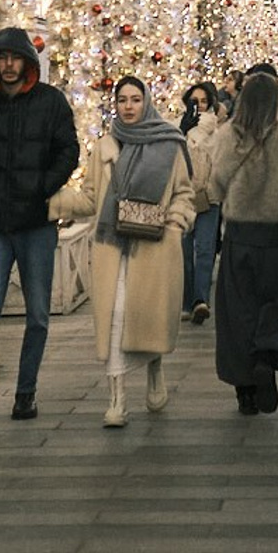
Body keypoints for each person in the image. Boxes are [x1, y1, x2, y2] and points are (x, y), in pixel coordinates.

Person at [0, 25, 81, 428]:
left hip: (36, 223)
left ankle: (26, 391)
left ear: (28, 63)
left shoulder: (51, 103)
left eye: (15, 59)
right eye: (2, 59)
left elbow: (68, 149)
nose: (8, 66)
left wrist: (45, 187)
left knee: (38, 312)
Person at [195, 67, 278, 415]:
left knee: (238, 311)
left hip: (240, 235)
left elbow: (215, 185)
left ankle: (245, 389)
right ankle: (267, 346)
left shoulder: (226, 136)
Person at [86, 77, 194, 428]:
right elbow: (90, 196)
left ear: (146, 102)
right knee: (116, 317)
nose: (128, 107)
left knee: (145, 318)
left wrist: (176, 226)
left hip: (154, 247)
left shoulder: (169, 145)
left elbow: (183, 193)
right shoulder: (104, 147)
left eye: (135, 99)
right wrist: (48, 203)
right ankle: (117, 400)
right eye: (122, 100)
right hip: (111, 247)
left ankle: (154, 366)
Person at [179, 81, 223, 322]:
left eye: (203, 101)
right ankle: (187, 301)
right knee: (185, 251)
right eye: (194, 101)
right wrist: (182, 130)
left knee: (205, 250)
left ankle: (200, 300)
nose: (199, 106)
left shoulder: (216, 130)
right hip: (183, 197)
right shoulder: (177, 127)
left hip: (209, 196)